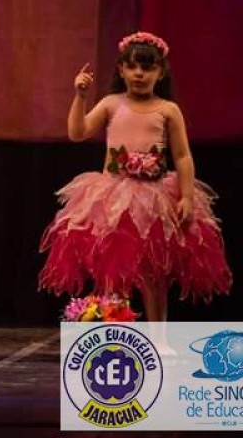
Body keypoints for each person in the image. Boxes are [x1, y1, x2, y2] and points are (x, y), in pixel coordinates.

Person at [38, 31, 232, 324]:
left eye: (147, 68)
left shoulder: (168, 110)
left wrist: (187, 196)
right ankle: (117, 333)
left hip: (154, 200)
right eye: (132, 67)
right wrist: (80, 97)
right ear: (121, 70)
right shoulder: (111, 103)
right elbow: (77, 133)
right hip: (114, 200)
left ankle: (158, 337)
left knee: (155, 274)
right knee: (114, 273)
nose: (139, 74)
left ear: (160, 72)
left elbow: (182, 156)